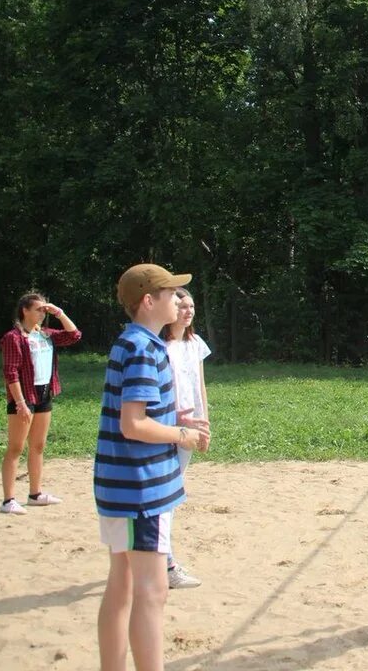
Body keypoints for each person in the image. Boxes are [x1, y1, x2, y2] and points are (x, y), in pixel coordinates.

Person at [97, 264, 210, 671]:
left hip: (124, 485)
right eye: (172, 293)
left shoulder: (134, 342)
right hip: (139, 489)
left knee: (123, 585)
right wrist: (182, 435)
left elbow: (140, 410)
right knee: (152, 589)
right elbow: (133, 424)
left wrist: (173, 414)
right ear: (149, 301)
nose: (180, 300)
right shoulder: (145, 348)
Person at [1, 292, 82, 515]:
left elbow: (74, 335)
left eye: (44, 310)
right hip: (24, 394)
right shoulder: (14, 337)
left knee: (38, 445)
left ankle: (35, 494)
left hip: (44, 393)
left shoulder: (46, 335)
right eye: (38, 309)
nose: (42, 314)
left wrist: (59, 313)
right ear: (25, 310)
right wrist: (20, 403)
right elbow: (11, 373)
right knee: (16, 447)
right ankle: (8, 500)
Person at [160, 287, 212, 589]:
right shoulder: (159, 345)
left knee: (171, 492)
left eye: (191, 306)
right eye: (181, 306)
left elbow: (200, 385)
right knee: (165, 496)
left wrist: (206, 424)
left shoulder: (195, 343)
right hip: (167, 426)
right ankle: (166, 564)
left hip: (191, 427)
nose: (188, 311)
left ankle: (160, 560)